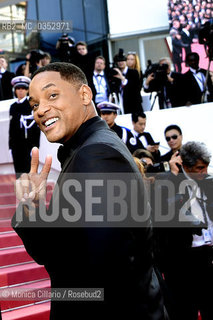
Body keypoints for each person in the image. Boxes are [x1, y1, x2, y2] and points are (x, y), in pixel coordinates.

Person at [11, 62, 165, 320]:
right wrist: (33, 207)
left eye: (52, 95)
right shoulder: (89, 150)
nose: (40, 110)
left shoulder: (96, 154)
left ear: (84, 94)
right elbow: (69, 254)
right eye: (35, 104)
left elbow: (93, 277)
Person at [154, 141, 213, 320]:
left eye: (206, 167)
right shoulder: (169, 182)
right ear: (186, 166)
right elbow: (163, 210)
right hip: (182, 260)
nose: (204, 172)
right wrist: (172, 175)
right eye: (199, 168)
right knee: (185, 309)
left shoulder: (208, 183)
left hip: (207, 256)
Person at [9, 76, 40, 178]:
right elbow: (12, 128)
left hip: (28, 145)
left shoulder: (30, 105)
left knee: (29, 173)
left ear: (27, 90)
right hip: (16, 146)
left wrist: (35, 146)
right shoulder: (13, 107)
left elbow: (36, 128)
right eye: (18, 88)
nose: (21, 91)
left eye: (23, 88)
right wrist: (11, 146)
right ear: (15, 90)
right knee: (19, 173)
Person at [112, 48, 143, 114]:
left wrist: (123, 79)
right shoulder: (115, 73)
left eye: (122, 60)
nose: (120, 62)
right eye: (119, 61)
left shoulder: (134, 72)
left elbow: (136, 88)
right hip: (121, 104)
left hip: (134, 104)